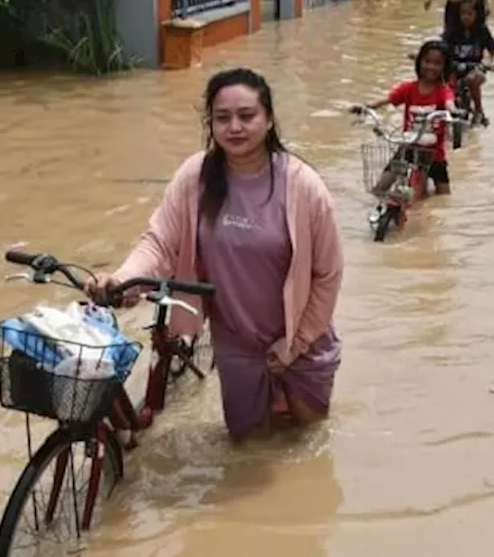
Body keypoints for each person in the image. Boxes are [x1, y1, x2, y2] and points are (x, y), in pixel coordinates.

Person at [89, 68, 343, 441]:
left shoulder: (303, 186)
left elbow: (328, 274)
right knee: (248, 452)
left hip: (302, 339)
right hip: (236, 343)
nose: (234, 127)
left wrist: (295, 343)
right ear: (211, 123)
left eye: (247, 116)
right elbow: (160, 241)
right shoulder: (196, 177)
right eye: (222, 118)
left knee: (308, 444)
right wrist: (124, 278)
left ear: (269, 119)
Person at [351, 39, 457, 195]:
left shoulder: (443, 91)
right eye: (427, 61)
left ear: (444, 67)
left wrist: (453, 111)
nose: (431, 67)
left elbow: (449, 103)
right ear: (419, 62)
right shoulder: (409, 89)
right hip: (409, 147)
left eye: (437, 63)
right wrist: (367, 107)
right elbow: (388, 99)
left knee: (443, 197)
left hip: (434, 154)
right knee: (379, 188)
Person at [442, 0, 494, 126]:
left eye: (469, 14)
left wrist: (493, 63)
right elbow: (440, 47)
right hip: (454, 67)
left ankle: (479, 110)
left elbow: (493, 50)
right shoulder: (452, 30)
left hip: (475, 68)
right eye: (462, 14)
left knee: (473, 78)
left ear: (477, 14)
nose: (465, 17)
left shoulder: (482, 30)